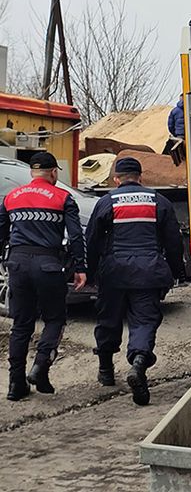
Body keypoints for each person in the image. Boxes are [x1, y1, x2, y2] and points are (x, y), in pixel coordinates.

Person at [87, 157, 185, 405]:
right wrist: (177, 272)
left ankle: (106, 371)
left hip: (113, 273)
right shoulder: (158, 202)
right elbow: (174, 242)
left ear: (116, 179)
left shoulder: (106, 202)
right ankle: (138, 366)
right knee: (144, 322)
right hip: (149, 273)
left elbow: (93, 240)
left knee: (108, 320)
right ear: (141, 177)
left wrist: (90, 272)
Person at [2, 152, 87, 401]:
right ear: (54, 173)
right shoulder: (63, 197)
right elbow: (75, 236)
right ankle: (40, 366)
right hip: (49, 265)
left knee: (21, 324)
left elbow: (1, 232)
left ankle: (15, 385)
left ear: (31, 172)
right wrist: (80, 267)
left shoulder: (11, 197)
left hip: (17, 265)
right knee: (55, 319)